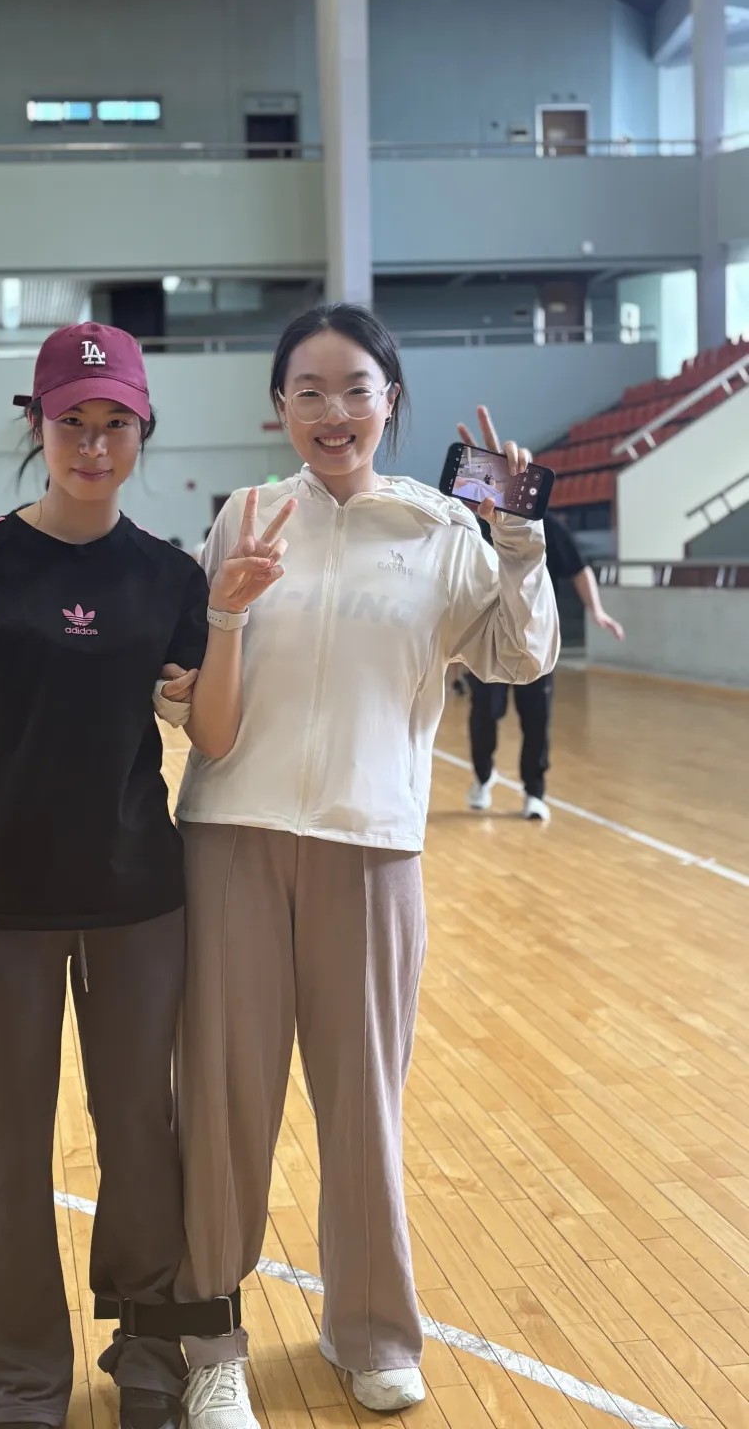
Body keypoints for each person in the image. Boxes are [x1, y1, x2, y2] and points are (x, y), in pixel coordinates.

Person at [0, 322, 291, 1429]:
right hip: (1, 909)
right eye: (73, 421)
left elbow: (210, 729)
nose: (95, 443)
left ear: (142, 430)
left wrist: (227, 618)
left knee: (141, 1133)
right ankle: (17, 1378)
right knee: (7, 1147)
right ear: (39, 424)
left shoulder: (167, 576)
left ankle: (149, 1349)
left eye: (117, 422)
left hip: (138, 902)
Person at [170, 303, 559, 1427]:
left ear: (392, 401)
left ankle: (372, 1330)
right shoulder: (247, 515)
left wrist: (519, 539)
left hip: (375, 850)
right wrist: (189, 667)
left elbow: (519, 654)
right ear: (279, 407)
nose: (332, 411)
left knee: (363, 1109)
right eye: (308, 391)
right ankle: (211, 1345)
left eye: (355, 389)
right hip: (231, 841)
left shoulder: (441, 531)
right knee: (225, 1107)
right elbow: (196, 677)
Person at [460, 434, 625, 822]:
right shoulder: (476, 525)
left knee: (536, 719)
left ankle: (535, 792)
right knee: (484, 714)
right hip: (489, 637)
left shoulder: (548, 526)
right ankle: (482, 777)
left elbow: (579, 569)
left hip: (535, 641)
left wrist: (597, 610)